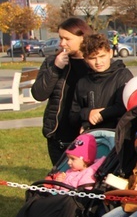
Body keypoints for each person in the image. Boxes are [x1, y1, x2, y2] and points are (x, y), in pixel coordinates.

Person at [32, 17, 94, 165]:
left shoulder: (93, 62)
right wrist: (55, 69)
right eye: (60, 38)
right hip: (58, 134)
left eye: (67, 38)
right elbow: (39, 94)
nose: (62, 43)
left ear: (82, 38)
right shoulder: (53, 62)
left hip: (85, 133)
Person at [69, 33, 133, 132]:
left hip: (118, 136)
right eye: (92, 58)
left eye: (102, 56)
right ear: (85, 59)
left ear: (110, 53)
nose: (98, 62)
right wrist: (88, 114)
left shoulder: (123, 75)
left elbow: (124, 106)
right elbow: (73, 115)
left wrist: (102, 114)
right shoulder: (83, 82)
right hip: (92, 136)